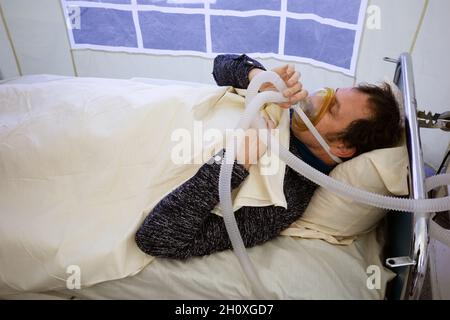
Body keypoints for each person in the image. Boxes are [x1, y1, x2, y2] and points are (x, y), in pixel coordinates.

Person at [135, 54, 403, 259]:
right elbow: (220, 65)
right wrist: (257, 76)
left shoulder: (284, 202)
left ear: (343, 147)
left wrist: (233, 162)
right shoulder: (281, 102)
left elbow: (158, 239)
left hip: (137, 156)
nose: (316, 98)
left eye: (331, 108)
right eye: (330, 92)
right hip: (142, 110)